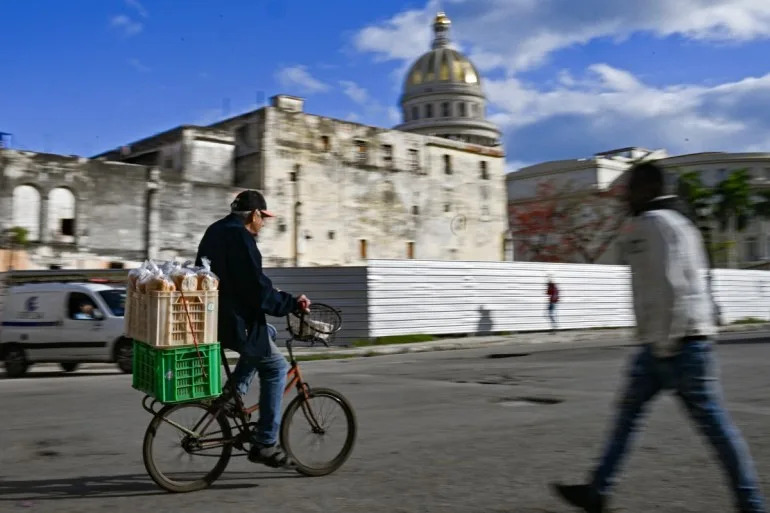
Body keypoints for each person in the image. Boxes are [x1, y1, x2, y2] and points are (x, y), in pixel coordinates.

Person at [551, 162, 765, 513]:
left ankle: (752, 504)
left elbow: (671, 287)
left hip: (673, 344)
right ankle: (597, 490)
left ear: (648, 189)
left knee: (711, 427)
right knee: (636, 416)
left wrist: (664, 346)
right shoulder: (680, 223)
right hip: (677, 339)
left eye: (630, 188)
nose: (624, 195)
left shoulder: (653, 225)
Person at [196, 189, 310, 469]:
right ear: (254, 214)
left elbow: (248, 280)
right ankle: (266, 443)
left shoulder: (217, 229)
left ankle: (232, 396)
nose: (264, 224)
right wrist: (290, 304)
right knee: (276, 368)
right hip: (234, 320)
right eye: (263, 218)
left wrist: (275, 293)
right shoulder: (241, 238)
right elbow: (256, 291)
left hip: (217, 314)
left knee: (267, 334)